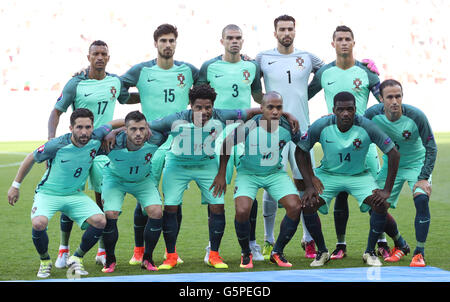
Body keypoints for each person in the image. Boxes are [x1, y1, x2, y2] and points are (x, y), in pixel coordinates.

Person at [147, 84, 298, 270]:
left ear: (213, 107)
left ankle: (214, 254)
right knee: (170, 207)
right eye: (198, 108)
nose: (204, 112)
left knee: (217, 206)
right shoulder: (175, 119)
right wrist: (114, 131)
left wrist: (287, 115)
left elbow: (253, 111)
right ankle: (171, 256)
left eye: (208, 107)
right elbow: (144, 125)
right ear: (190, 106)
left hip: (207, 164)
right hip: (178, 165)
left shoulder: (221, 115)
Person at [7, 108, 123, 278]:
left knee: (100, 220)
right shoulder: (57, 144)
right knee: (39, 223)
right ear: (71, 128)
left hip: (74, 194)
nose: (84, 132)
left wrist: (123, 129)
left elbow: (112, 123)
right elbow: (31, 158)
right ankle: (45, 261)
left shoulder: (96, 136)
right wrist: (15, 186)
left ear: (92, 127)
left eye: (88, 127)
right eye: (79, 127)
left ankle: (76, 257)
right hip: (48, 193)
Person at [48, 40, 131, 268]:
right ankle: (63, 249)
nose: (100, 57)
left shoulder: (115, 81)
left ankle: (102, 251)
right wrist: (51, 143)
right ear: (89, 57)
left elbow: (127, 99)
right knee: (68, 197)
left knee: (102, 199)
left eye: (104, 53)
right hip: (78, 149)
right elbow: (56, 112)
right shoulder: (76, 82)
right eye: (96, 54)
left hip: (104, 151)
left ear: (109, 57)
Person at [121, 24, 199, 265]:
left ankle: (170, 251)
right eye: (163, 40)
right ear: (155, 43)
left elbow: (206, 88)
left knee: (175, 198)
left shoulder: (188, 71)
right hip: (150, 141)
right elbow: (119, 89)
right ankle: (138, 250)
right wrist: (138, 97)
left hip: (179, 142)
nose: (168, 45)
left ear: (176, 43)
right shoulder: (141, 70)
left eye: (171, 40)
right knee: (145, 197)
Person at [296, 91, 403, 267]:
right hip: (329, 175)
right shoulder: (322, 124)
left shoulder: (367, 126)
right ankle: (322, 252)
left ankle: (369, 252)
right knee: (308, 204)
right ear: (334, 110)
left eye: (350, 109)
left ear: (355, 110)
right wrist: (309, 183)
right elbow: (301, 150)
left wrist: (387, 191)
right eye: (341, 109)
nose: (345, 113)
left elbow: (394, 154)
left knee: (381, 203)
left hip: (358, 176)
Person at [307, 25, 386, 260]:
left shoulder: (366, 71)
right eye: (339, 39)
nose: (343, 42)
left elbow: (383, 101)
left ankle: (382, 242)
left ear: (354, 42)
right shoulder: (324, 73)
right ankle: (340, 244)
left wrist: (373, 124)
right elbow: (303, 94)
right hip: (336, 144)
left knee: (378, 196)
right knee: (340, 194)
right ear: (333, 44)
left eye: (347, 39)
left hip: (365, 145)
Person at [256, 14, 325, 259]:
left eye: (290, 29)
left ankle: (308, 240)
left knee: (304, 183)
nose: (287, 32)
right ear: (275, 32)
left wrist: (307, 93)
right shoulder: (263, 58)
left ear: (295, 31)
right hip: (272, 132)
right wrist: (265, 105)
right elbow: (254, 86)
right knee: (270, 181)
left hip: (302, 132)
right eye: (282, 29)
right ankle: (268, 239)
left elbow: (326, 72)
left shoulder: (307, 58)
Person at [211, 91, 305, 268]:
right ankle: (246, 253)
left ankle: (277, 252)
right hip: (248, 173)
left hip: (275, 173)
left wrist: (311, 179)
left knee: (295, 207)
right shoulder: (249, 126)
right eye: (270, 107)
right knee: (242, 210)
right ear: (262, 109)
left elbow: (302, 149)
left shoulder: (289, 126)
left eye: (279, 108)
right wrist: (221, 174)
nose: (275, 111)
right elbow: (227, 144)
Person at [197, 24, 264, 261]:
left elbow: (258, 96)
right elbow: (197, 98)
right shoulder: (209, 66)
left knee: (249, 187)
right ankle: (211, 247)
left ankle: (253, 244)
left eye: (238, 38)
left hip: (244, 134)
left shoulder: (251, 66)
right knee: (216, 191)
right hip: (216, 133)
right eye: (230, 38)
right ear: (222, 40)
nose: (234, 41)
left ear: (242, 41)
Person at [364, 79, 437, 267]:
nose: (395, 101)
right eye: (390, 97)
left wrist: (423, 178)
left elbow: (431, 147)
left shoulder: (416, 116)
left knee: (421, 199)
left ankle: (419, 252)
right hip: (391, 165)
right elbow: (356, 127)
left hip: (416, 164)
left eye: (398, 96)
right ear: (381, 99)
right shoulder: (372, 114)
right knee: (376, 204)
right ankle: (400, 243)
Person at [100, 111, 168, 273]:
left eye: (142, 129)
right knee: (111, 213)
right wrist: (113, 131)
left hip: (142, 180)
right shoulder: (112, 142)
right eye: (133, 129)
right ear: (125, 130)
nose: (138, 133)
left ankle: (148, 258)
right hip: (115, 180)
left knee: (156, 212)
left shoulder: (156, 138)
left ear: (147, 129)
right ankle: (110, 260)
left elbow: (171, 125)